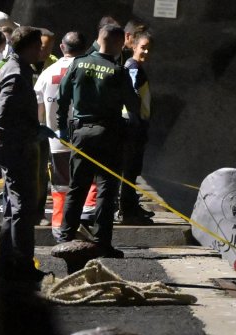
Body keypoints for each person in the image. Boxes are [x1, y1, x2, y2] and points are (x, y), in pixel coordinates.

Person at [55, 24, 140, 257]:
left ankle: (66, 236)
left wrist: (63, 128)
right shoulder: (118, 70)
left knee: (77, 187)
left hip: (81, 133)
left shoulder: (78, 63)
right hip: (109, 133)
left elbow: (62, 98)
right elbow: (133, 105)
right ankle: (102, 241)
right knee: (106, 189)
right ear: (117, 43)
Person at [0, 25, 46, 283]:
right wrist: (31, 130)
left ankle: (5, 263)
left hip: (8, 143)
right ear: (31, 47)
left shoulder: (12, 68)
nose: (41, 52)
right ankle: (23, 265)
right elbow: (4, 116)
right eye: (39, 47)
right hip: (13, 145)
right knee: (23, 205)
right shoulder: (15, 74)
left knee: (13, 206)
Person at [34, 30, 85, 237]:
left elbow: (39, 108)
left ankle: (58, 224)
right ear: (83, 49)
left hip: (55, 140)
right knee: (84, 182)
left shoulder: (48, 73)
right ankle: (79, 224)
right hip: (83, 138)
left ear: (62, 47)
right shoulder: (86, 69)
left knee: (60, 184)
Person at [117, 27, 155, 223]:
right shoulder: (133, 67)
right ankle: (127, 210)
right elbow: (131, 94)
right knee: (130, 170)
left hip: (136, 124)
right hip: (133, 126)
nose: (146, 52)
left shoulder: (135, 66)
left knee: (132, 170)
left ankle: (130, 207)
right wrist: (135, 123)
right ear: (133, 45)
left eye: (149, 49)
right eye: (143, 48)